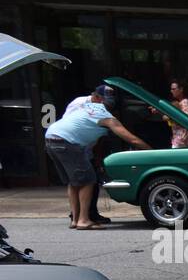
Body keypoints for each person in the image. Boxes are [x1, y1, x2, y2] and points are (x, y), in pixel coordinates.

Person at [45, 86, 149, 229]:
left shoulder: (82, 108)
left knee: (74, 182)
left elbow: (81, 130)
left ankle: (75, 220)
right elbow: (132, 140)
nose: (107, 104)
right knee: (89, 181)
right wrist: (152, 151)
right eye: (106, 100)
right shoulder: (103, 115)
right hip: (68, 142)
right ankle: (83, 220)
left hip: (51, 138)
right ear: (96, 98)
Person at [153, 80, 188, 148]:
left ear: (181, 89)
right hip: (178, 138)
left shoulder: (185, 102)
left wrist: (168, 117)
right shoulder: (179, 103)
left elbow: (184, 121)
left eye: (173, 89)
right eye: (171, 89)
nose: (171, 91)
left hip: (182, 139)